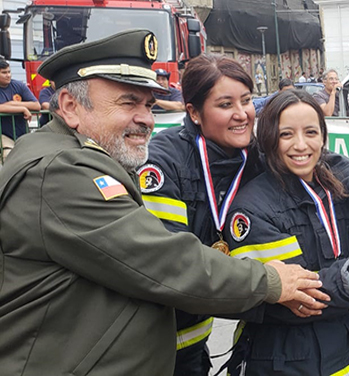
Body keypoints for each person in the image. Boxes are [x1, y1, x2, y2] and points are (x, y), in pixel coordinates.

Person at [0, 29, 324, 375]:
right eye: (128, 102)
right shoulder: (61, 172)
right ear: (69, 106)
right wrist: (270, 282)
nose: (146, 118)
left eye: (149, 105)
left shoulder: (75, 155)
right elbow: (163, 260)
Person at [222, 89, 349, 375]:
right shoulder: (251, 207)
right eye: (286, 134)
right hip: (278, 359)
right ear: (267, 138)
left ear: (323, 138)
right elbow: (295, 303)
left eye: (311, 132)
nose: (301, 145)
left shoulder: (340, 192)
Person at [141, 54, 266, 376]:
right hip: (148, 349)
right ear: (194, 113)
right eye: (225, 105)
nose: (242, 115)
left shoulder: (255, 155)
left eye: (247, 101)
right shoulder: (162, 162)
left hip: (195, 344)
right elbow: (169, 262)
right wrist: (271, 285)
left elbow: (322, 162)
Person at [0, 58, 40, 160]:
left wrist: (13, 104)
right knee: (8, 157)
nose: (8, 75)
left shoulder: (18, 85)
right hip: (4, 134)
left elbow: (37, 105)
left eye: (9, 72)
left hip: (22, 133)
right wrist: (22, 109)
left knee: (30, 158)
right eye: (4, 73)